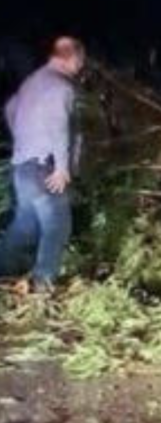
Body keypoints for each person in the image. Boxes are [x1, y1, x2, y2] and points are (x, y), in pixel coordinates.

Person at [0, 37, 85, 291]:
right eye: (81, 61)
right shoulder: (61, 87)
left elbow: (10, 107)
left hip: (23, 166)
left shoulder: (32, 82)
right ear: (71, 58)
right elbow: (58, 125)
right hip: (44, 167)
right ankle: (42, 284)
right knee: (57, 223)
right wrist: (61, 167)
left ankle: (4, 270)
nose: (81, 66)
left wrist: (23, 139)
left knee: (25, 225)